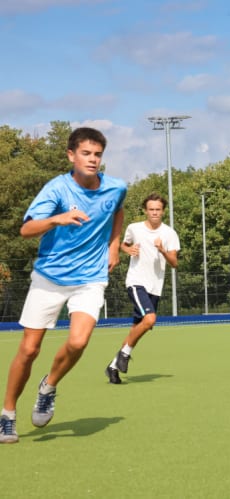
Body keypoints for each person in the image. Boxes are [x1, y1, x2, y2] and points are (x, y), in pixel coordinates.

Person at [0, 127, 127, 444]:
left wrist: (114, 247)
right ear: (71, 155)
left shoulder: (116, 188)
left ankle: (49, 386)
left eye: (97, 154)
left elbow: (118, 210)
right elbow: (27, 229)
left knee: (79, 341)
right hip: (49, 277)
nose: (93, 160)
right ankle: (7, 414)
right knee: (29, 349)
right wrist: (57, 219)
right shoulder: (56, 189)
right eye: (86, 153)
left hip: (90, 278)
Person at [105, 193, 180, 384]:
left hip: (155, 286)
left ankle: (113, 365)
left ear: (163, 211)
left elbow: (174, 263)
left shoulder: (169, 233)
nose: (154, 213)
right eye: (151, 209)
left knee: (136, 329)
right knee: (150, 318)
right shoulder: (134, 228)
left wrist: (162, 250)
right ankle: (124, 354)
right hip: (136, 282)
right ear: (145, 211)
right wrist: (126, 249)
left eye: (158, 210)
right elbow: (124, 243)